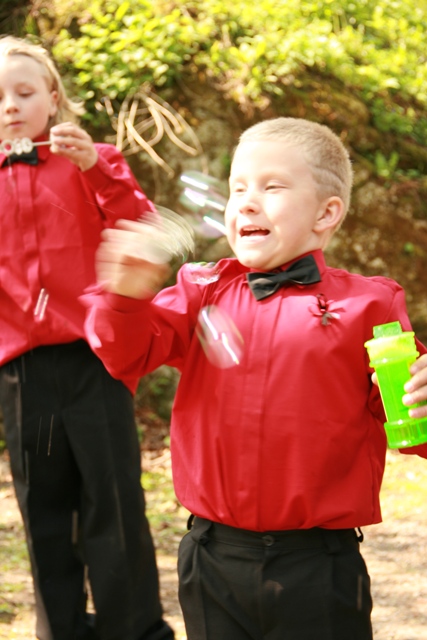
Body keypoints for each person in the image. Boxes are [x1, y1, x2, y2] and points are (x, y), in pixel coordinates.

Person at [83, 116, 427, 640]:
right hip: (212, 559)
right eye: (238, 187)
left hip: (320, 566)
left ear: (326, 213)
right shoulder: (199, 290)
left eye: (272, 187)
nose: (246, 202)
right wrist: (123, 299)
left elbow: (413, 424)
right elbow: (126, 354)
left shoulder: (370, 304)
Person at [0, 35, 174, 640]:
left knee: (114, 501)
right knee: (43, 511)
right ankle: (62, 630)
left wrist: (96, 169)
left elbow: (142, 230)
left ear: (53, 98)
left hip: (95, 359)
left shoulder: (95, 160)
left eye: (25, 92)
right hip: (20, 371)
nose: (10, 105)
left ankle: (136, 630)